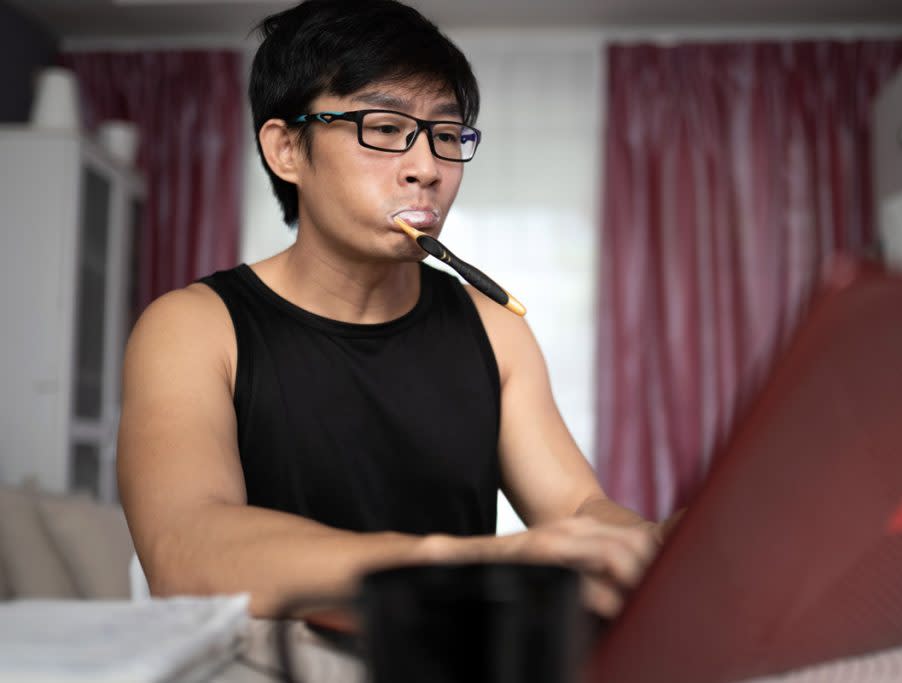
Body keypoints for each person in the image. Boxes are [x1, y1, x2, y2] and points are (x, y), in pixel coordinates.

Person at [117, 0, 674, 621]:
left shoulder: (493, 327)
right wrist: (474, 566)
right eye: (383, 129)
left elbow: (577, 508)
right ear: (286, 150)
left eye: (444, 134)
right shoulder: (193, 328)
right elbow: (186, 552)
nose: (427, 169)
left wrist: (645, 545)